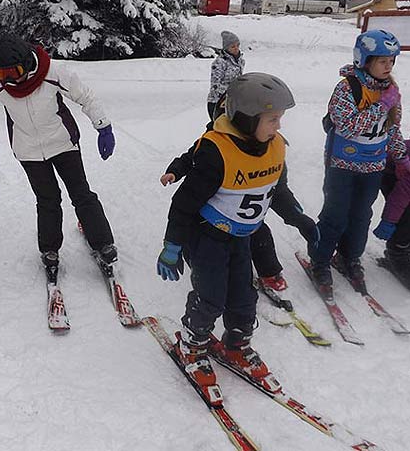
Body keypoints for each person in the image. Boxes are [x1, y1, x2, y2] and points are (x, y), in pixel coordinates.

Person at [156, 73, 298, 395]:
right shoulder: (216, 152)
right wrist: (172, 245)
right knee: (211, 297)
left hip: (241, 237)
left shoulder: (273, 148)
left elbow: (276, 191)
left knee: (244, 296)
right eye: (272, 119)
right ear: (247, 119)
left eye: (280, 118)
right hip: (208, 236)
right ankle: (192, 345)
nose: (278, 126)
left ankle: (237, 344)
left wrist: (299, 219)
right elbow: (184, 202)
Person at [0, 33, 117, 269]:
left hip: (63, 144)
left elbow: (86, 96)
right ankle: (49, 249)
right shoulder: (0, 84)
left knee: (81, 194)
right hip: (28, 151)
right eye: (2, 74)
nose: (9, 79)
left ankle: (103, 243)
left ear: (27, 63)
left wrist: (103, 127)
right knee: (48, 200)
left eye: (14, 72)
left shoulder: (53, 73)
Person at [308, 29, 408, 298]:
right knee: (335, 214)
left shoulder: (391, 91)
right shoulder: (347, 87)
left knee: (361, 216)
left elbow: (391, 129)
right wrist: (380, 106)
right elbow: (348, 126)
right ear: (365, 60)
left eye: (392, 61)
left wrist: (402, 157)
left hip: (373, 166)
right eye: (382, 61)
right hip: (343, 164)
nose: (389, 66)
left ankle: (350, 257)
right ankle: (320, 259)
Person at [160, 135, 318, 293]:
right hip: (212, 219)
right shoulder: (213, 144)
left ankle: (269, 273)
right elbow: (189, 163)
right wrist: (175, 171)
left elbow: (278, 190)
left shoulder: (265, 144)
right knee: (207, 246)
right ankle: (206, 276)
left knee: (261, 235)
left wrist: (298, 217)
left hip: (244, 218)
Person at [373, 139, 410, 287]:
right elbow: (400, 197)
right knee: (406, 214)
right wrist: (389, 221)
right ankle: (397, 253)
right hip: (389, 169)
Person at [207, 30, 245, 120]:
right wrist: (230, 92)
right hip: (217, 102)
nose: (236, 48)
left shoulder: (240, 61)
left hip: (232, 102)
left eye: (237, 45)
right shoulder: (219, 63)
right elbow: (215, 86)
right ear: (226, 48)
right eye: (232, 46)